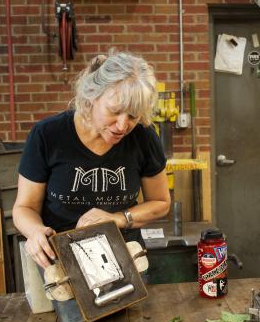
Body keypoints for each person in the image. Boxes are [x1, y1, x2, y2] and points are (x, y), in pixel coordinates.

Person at [14, 52, 170, 269]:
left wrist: (118, 218)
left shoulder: (143, 136)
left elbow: (161, 203)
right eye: (114, 111)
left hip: (124, 258)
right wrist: (35, 231)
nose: (123, 126)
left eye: (133, 116)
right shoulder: (48, 135)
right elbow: (24, 207)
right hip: (60, 261)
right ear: (91, 97)